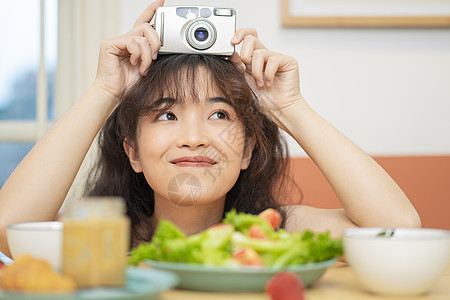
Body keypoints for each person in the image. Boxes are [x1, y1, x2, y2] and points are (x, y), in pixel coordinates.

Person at [0, 0, 420, 255]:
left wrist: (290, 107)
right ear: (131, 151)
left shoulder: (275, 232)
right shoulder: (101, 239)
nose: (196, 136)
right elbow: (8, 229)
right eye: (167, 114)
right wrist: (104, 91)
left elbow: (398, 232)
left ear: (248, 151)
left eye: (219, 114)